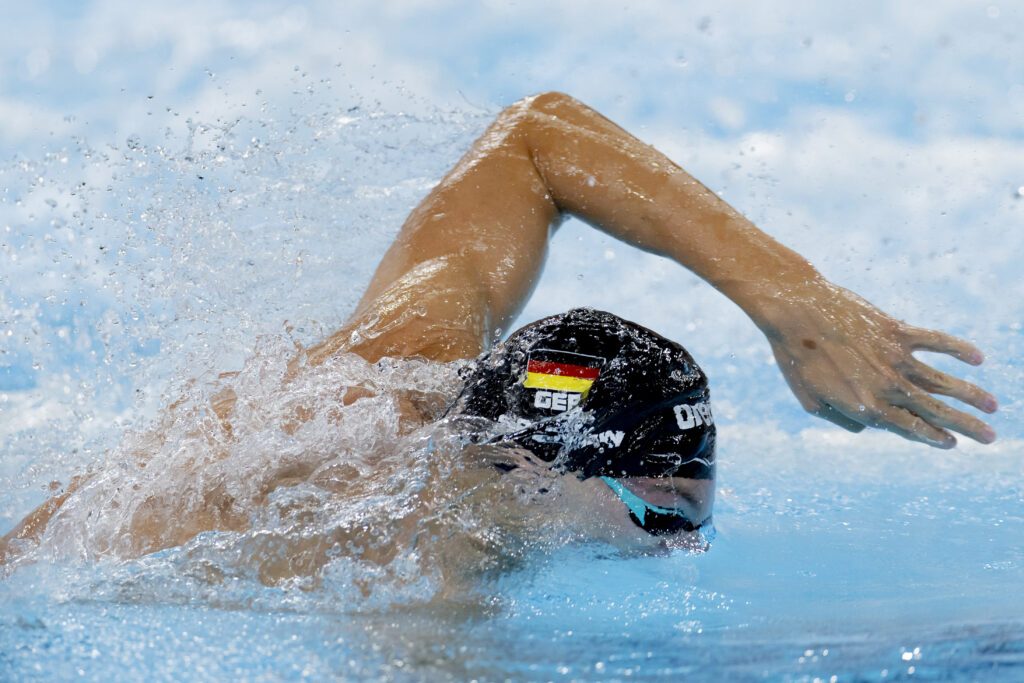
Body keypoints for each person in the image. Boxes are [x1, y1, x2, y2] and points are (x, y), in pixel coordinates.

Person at [0, 92, 998, 571]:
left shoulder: (421, 339)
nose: (680, 552)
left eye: (692, 513)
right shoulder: (410, 555)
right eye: (659, 519)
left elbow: (537, 136)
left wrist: (789, 294)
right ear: (538, 470)